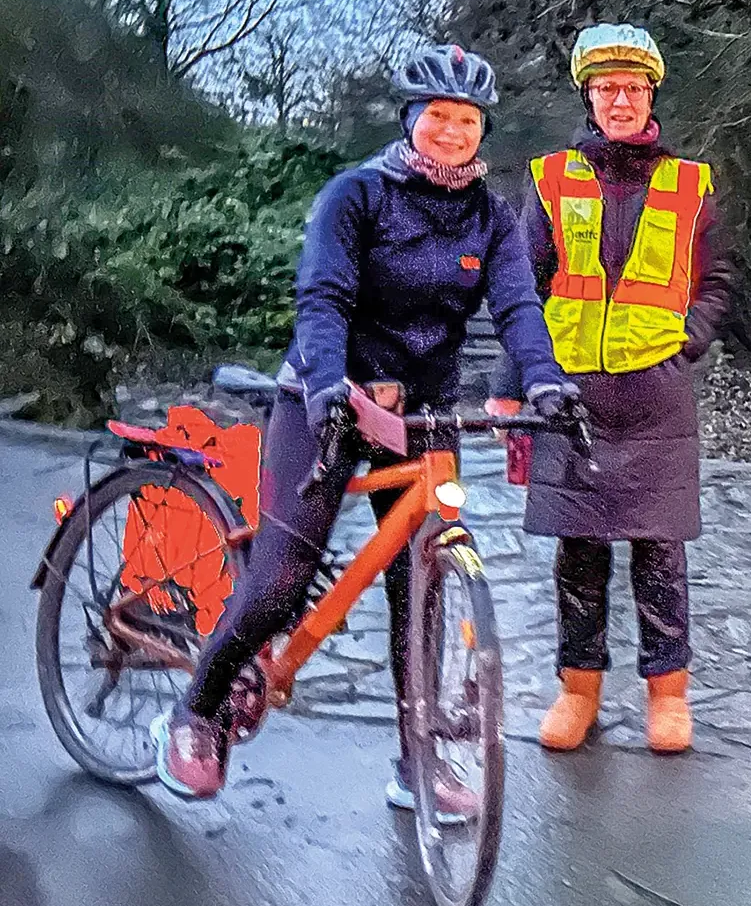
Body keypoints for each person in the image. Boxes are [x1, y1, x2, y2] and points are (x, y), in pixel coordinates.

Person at [152, 45, 578, 811]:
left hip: (421, 410)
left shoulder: (490, 216)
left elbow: (517, 306)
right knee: (280, 579)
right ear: (411, 119)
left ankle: (418, 762)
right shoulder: (357, 196)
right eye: (437, 116)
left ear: (483, 129)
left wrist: (544, 379)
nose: (451, 132)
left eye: (467, 120)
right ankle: (196, 710)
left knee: (425, 586)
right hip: (328, 398)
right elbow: (322, 299)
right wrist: (324, 390)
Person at [487, 23, 733, 754]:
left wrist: (688, 338)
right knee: (579, 553)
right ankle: (577, 691)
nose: (620, 101)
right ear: (588, 98)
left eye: (633, 88)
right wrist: (511, 387)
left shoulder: (692, 185)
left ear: (651, 94)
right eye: (606, 89)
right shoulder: (552, 178)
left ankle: (669, 694)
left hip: (657, 396)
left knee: (660, 553)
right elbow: (521, 289)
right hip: (571, 399)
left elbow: (717, 283)